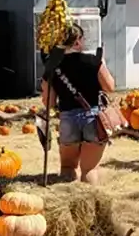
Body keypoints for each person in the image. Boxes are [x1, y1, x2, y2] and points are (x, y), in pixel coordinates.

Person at [41, 23, 116, 184]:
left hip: (67, 118)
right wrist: (102, 63)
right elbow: (110, 87)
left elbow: (49, 101)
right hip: (93, 118)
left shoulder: (53, 67)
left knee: (68, 168)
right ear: (77, 41)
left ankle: (69, 203)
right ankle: (90, 207)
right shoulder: (93, 61)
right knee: (89, 169)